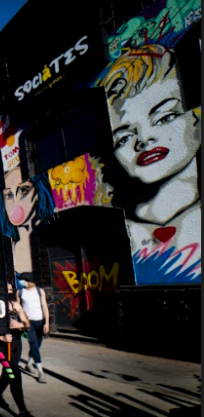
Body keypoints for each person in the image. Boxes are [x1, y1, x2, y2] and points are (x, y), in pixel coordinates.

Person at [95, 43, 201, 281]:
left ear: (195, 119)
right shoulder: (125, 231)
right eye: (124, 137)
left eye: (164, 117)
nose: (143, 140)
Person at [0, 279, 40, 417]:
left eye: (11, 290)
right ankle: (23, 412)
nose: (9, 292)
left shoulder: (15, 305)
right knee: (14, 373)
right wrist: (0, 336)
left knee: (9, 372)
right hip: (1, 348)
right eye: (6, 290)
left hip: (16, 345)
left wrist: (19, 324)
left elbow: (27, 324)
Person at [0, 165, 56, 276]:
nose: (16, 202)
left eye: (23, 190)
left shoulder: (49, 235)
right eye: (9, 195)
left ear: (38, 194)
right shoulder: (6, 243)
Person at [17, 272, 50, 383]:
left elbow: (45, 307)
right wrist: (21, 322)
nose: (21, 282)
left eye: (22, 280)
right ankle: (41, 373)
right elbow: (18, 308)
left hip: (39, 322)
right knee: (34, 345)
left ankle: (29, 363)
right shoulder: (20, 292)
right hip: (28, 323)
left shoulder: (39, 291)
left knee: (37, 345)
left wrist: (47, 323)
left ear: (29, 281)